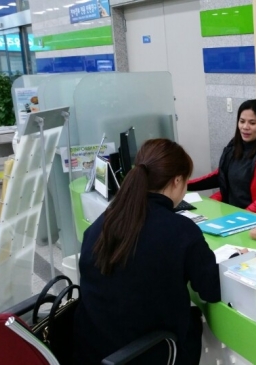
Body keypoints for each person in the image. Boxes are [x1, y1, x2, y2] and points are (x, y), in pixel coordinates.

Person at [74, 139, 221, 365]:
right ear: (178, 180)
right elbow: (211, 291)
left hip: (95, 350)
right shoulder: (181, 231)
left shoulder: (103, 224)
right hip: (153, 353)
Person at [187, 99, 256, 214]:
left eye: (252, 123)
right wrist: (185, 185)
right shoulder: (235, 145)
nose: (245, 127)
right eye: (242, 121)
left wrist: (240, 217)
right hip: (232, 209)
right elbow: (221, 175)